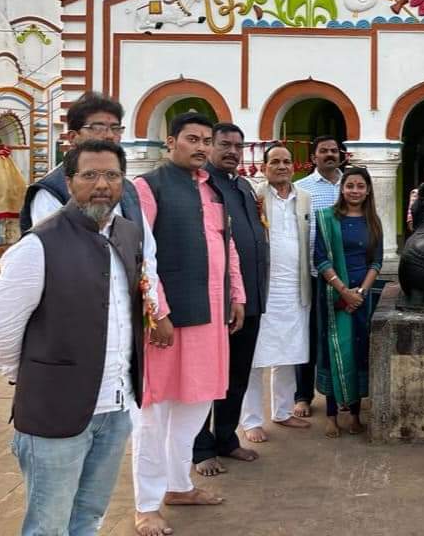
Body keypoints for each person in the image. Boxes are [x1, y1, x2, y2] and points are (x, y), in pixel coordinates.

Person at [0, 140, 147, 536]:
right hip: (55, 415)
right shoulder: (39, 245)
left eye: (111, 175)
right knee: (48, 526)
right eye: (90, 175)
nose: (102, 185)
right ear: (69, 182)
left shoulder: (127, 234)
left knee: (89, 516)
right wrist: (37, 379)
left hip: (115, 407)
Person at [132, 112, 246, 536]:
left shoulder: (213, 189)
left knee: (195, 405)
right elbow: (142, 256)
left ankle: (179, 486)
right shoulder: (148, 187)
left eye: (205, 140)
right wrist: (156, 311)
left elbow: (226, 245)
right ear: (171, 142)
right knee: (155, 412)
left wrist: (237, 294)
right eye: (191, 139)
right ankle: (146, 505)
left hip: (211, 316)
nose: (200, 147)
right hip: (169, 319)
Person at [18, 91, 158, 310]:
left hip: (126, 310)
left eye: (115, 128)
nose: (109, 135)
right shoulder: (51, 191)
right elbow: (50, 255)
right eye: (98, 127)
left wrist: (151, 301)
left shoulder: (127, 188)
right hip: (76, 310)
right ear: (73, 137)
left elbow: (146, 249)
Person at [193, 123, 269, 476]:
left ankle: (226, 438)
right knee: (207, 377)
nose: (232, 152)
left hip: (249, 299)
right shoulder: (200, 187)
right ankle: (200, 447)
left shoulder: (242, 186)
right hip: (215, 303)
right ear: (210, 146)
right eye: (225, 144)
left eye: (238, 146)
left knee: (236, 375)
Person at [241, 143, 313, 440]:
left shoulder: (304, 198)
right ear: (265, 167)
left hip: (295, 288)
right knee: (256, 358)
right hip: (263, 290)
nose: (282, 166)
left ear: (294, 167)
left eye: (286, 161)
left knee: (289, 352)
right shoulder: (254, 196)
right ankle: (250, 421)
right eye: (275, 162)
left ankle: (282, 412)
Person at [314, 166, 384, 438]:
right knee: (334, 352)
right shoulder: (327, 219)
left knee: (357, 352)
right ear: (342, 189)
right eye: (350, 185)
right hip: (334, 295)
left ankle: (354, 414)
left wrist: (361, 293)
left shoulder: (373, 222)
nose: (355, 191)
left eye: (360, 186)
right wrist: (344, 291)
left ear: (367, 191)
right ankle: (331, 415)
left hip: (362, 297)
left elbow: (376, 262)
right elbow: (320, 259)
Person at [293, 134, 343, 419]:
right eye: (323, 151)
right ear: (313, 157)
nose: (329, 155)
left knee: (341, 336)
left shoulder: (352, 184)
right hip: (313, 274)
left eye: (334, 151)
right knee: (309, 336)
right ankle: (303, 395)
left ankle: (342, 395)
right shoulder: (302, 189)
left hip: (346, 277)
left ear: (341, 155)